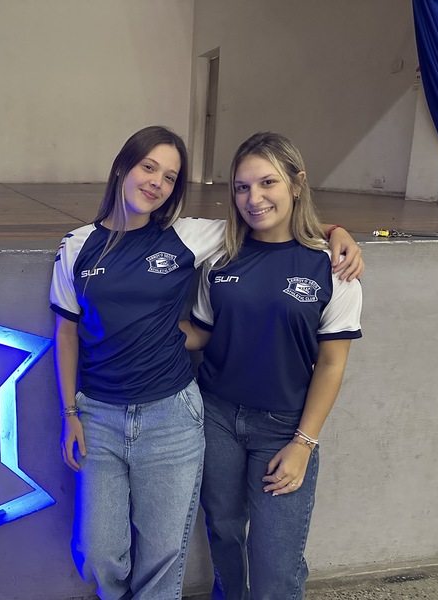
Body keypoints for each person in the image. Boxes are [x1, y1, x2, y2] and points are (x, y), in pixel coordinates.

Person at [49, 126, 362, 600]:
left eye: (170, 176)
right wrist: (73, 407)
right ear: (122, 168)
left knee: (242, 562)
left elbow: (273, 225)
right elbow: (71, 332)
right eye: (148, 167)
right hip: (150, 414)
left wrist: (338, 232)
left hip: (216, 418)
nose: (156, 182)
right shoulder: (82, 245)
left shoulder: (193, 236)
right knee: (120, 547)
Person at [182, 131, 363, 600]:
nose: (254, 198)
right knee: (224, 531)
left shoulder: (333, 267)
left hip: (284, 429)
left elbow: (331, 364)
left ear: (297, 184)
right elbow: (202, 332)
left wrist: (303, 443)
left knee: (275, 569)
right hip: (216, 417)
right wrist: (140, 329)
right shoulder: (221, 255)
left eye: (268, 183)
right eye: (242, 187)